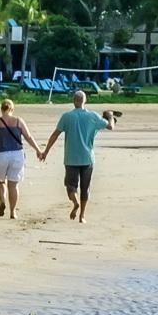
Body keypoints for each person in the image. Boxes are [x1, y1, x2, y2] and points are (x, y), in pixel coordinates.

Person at [39, 87, 113, 223]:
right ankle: (82, 216)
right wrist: (110, 116)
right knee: (85, 188)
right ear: (85, 101)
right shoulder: (93, 116)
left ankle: (75, 202)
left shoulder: (67, 116)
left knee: (71, 186)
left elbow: (55, 134)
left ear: (74, 101)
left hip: (71, 158)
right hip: (87, 158)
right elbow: (110, 126)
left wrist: (46, 151)